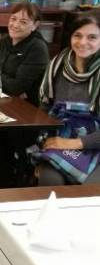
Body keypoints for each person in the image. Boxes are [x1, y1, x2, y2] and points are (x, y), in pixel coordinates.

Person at [37, 15, 100, 185]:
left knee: (90, 193)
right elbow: (45, 108)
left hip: (94, 143)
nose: (83, 42)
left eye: (92, 37)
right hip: (62, 137)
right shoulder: (57, 65)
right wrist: (42, 141)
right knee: (50, 180)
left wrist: (73, 143)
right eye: (77, 35)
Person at [0, 1, 49, 105]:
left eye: (23, 22)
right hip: (3, 99)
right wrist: (2, 80)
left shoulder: (37, 48)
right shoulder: (4, 41)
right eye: (13, 19)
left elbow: (16, 87)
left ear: (35, 25)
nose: (15, 25)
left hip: (27, 107)